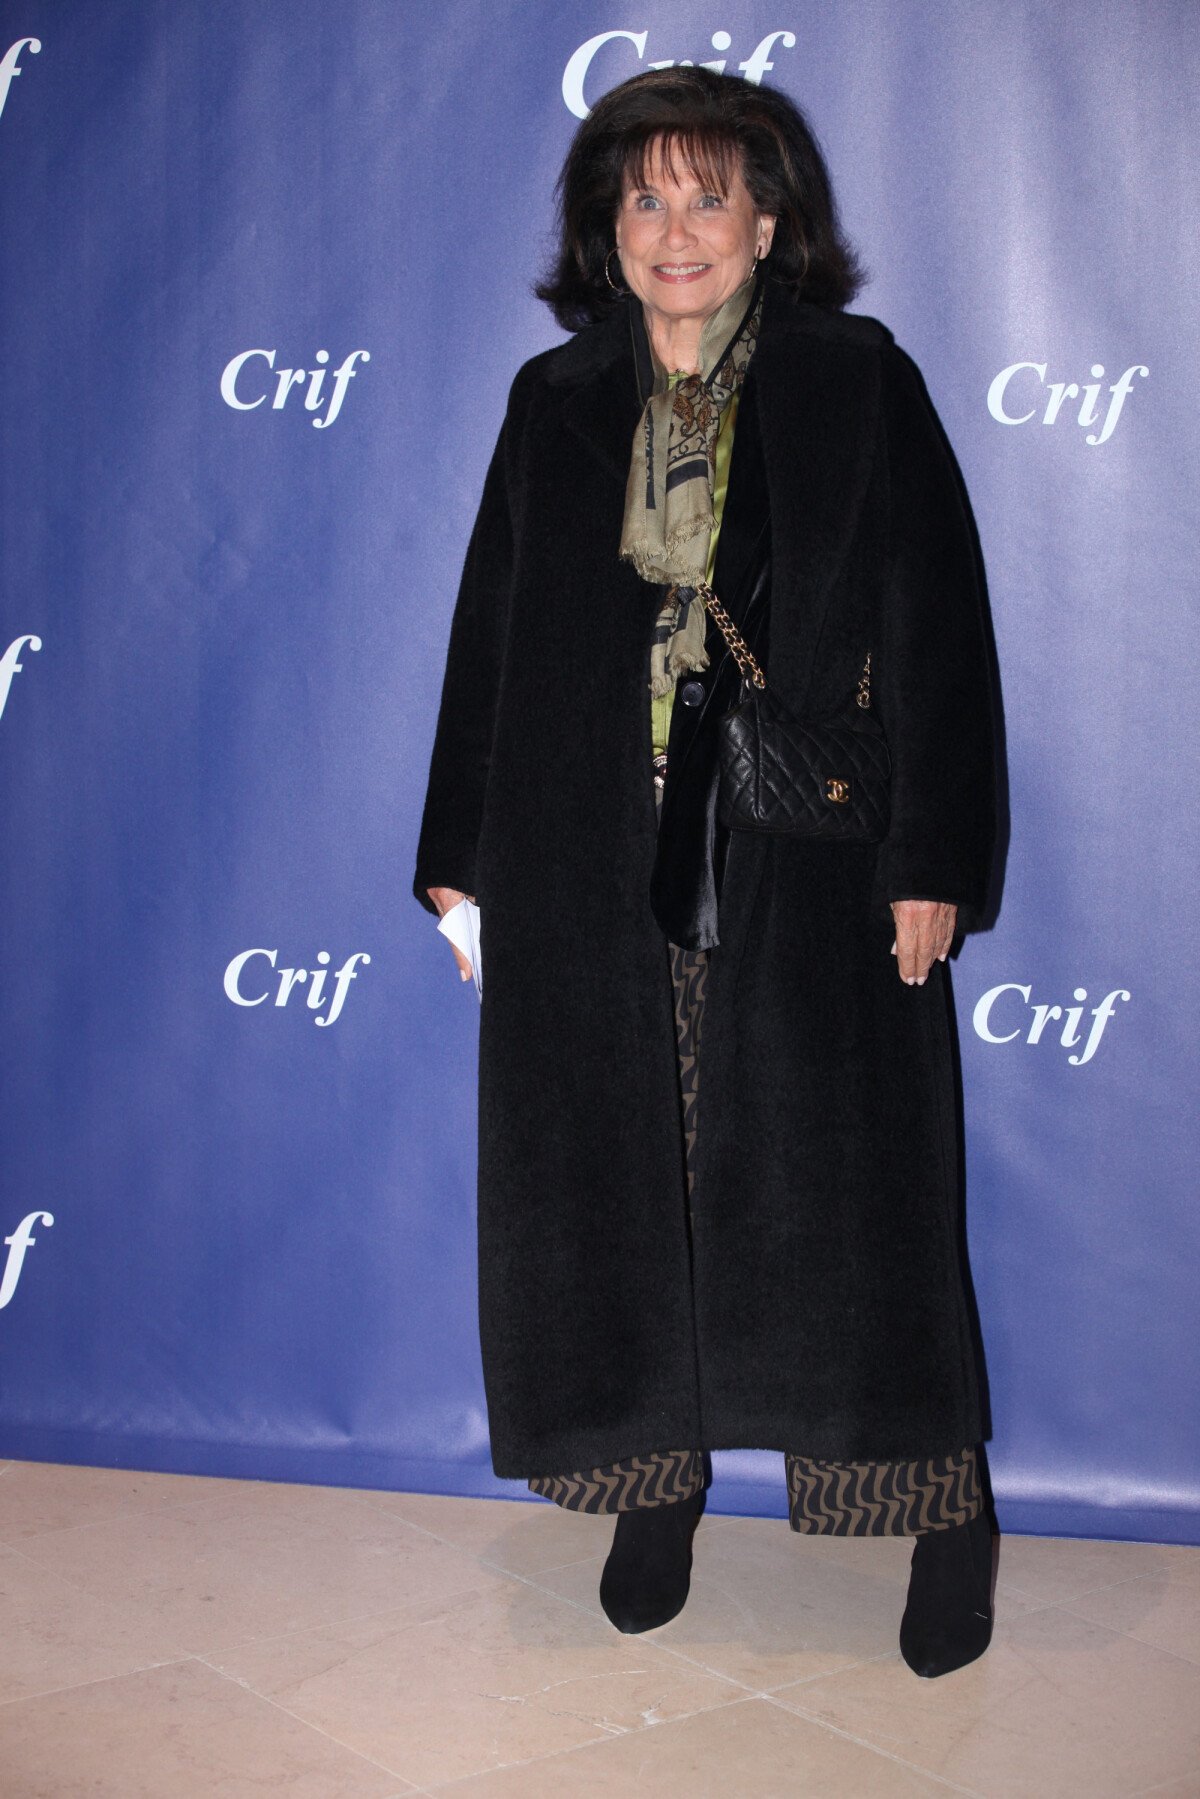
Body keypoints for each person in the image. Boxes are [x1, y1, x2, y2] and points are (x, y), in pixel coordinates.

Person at [414, 66, 998, 1678]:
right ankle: (649, 1490)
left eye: (709, 196)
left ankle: (944, 1514)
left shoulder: (852, 379)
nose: (677, 229)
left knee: (857, 1205)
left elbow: (934, 631)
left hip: (805, 853)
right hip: (588, 859)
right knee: (614, 1188)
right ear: (609, 228)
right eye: (644, 197)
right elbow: (493, 632)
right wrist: (459, 856)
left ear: (767, 224)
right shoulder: (558, 400)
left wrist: (930, 856)